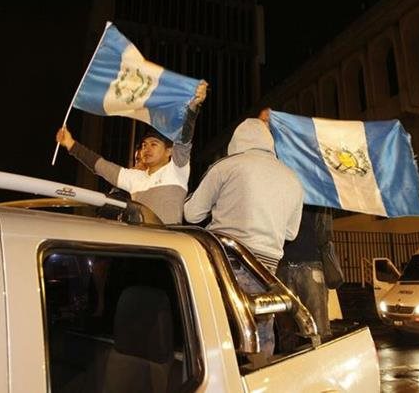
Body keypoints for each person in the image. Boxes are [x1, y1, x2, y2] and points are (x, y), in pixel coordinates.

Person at [184, 117, 303, 359]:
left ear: (236, 140)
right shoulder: (292, 178)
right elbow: (291, 232)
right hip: (267, 270)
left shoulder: (226, 166)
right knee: (261, 336)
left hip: (227, 261)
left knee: (219, 335)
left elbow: (192, 214)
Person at [56, 80, 207, 224]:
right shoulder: (134, 177)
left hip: (167, 246)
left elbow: (184, 139)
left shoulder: (176, 170)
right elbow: (101, 166)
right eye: (144, 145)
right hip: (139, 244)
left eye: (153, 144)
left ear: (169, 151)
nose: (146, 149)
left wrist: (193, 108)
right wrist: (70, 144)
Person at [276, 205, 333, 352]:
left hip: (310, 261)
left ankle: (322, 363)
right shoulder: (281, 189)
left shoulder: (316, 194)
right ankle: (288, 365)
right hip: (283, 263)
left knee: (318, 325)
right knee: (285, 326)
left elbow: (325, 231)